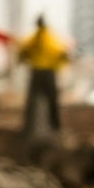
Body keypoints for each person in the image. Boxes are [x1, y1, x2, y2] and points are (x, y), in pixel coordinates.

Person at [18, 15, 71, 144]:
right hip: (48, 73)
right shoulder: (50, 38)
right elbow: (62, 53)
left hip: (37, 72)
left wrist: (24, 58)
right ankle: (55, 126)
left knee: (32, 102)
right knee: (52, 100)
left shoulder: (36, 38)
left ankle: (29, 126)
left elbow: (23, 52)